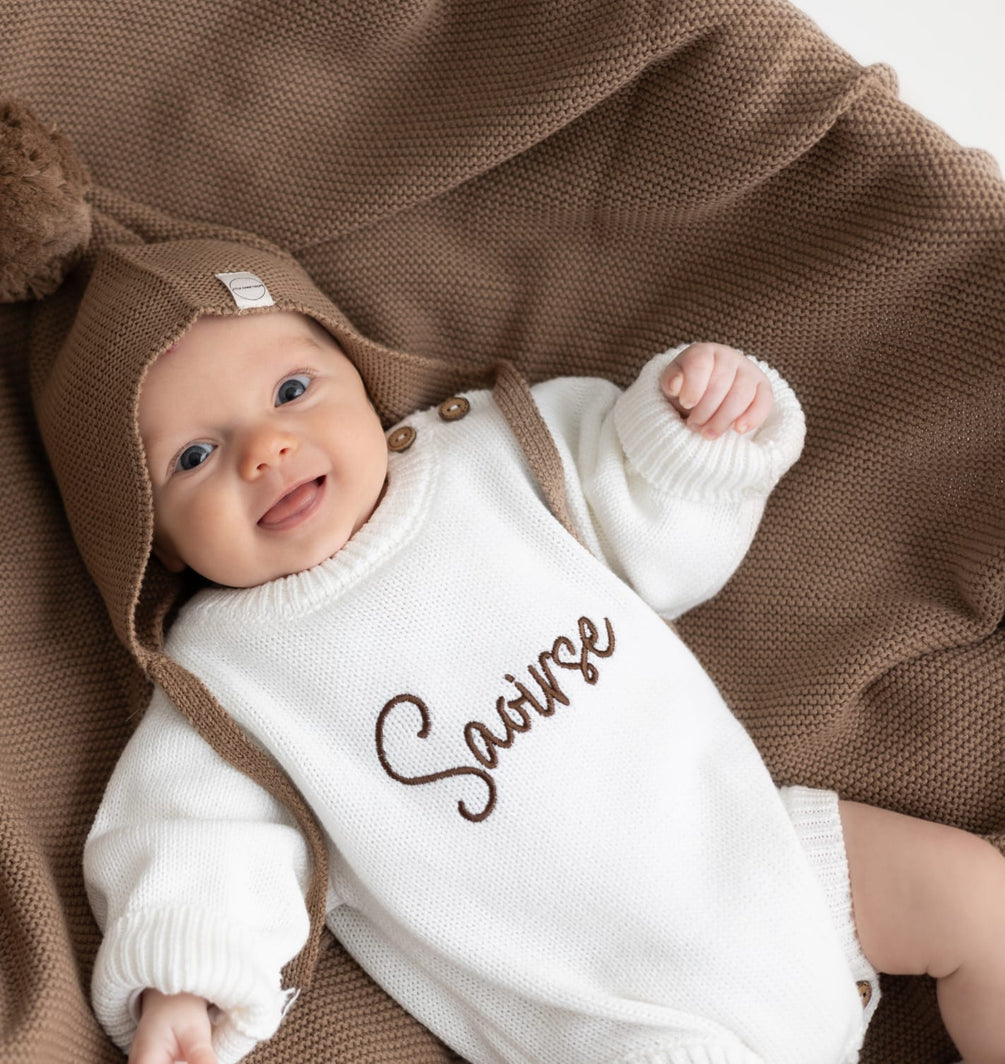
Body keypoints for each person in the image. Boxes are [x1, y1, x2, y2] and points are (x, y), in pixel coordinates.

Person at [82, 305, 1005, 1064]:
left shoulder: (491, 456)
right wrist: (186, 978)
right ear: (154, 537)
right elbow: (196, 838)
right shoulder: (224, 673)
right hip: (611, 1017)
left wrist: (692, 426)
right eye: (193, 457)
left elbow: (658, 527)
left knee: (979, 900)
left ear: (363, 385)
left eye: (290, 391)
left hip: (757, 854)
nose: (265, 450)